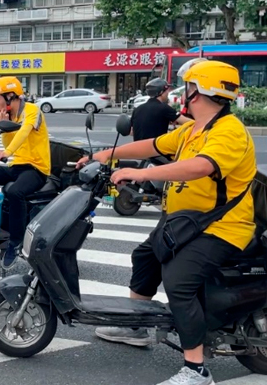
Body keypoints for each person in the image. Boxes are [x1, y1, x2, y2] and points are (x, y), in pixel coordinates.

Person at [79, 59, 256, 385]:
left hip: (222, 227)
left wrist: (139, 174)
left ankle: (196, 370)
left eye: (188, 87)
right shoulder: (192, 129)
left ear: (200, 91)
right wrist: (104, 156)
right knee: (146, 256)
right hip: (187, 222)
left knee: (179, 283)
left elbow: (201, 167)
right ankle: (136, 327)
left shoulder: (230, 131)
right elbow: (152, 145)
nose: (183, 93)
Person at [0, 76, 51, 269]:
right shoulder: (11, 116)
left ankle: (15, 242)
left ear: (10, 96)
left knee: (15, 192)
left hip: (36, 169)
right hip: (17, 167)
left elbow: (24, 132)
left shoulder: (32, 110)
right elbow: (10, 142)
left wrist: (6, 152)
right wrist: (3, 128)